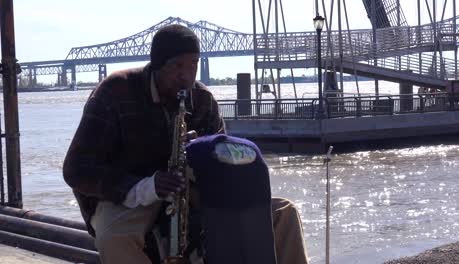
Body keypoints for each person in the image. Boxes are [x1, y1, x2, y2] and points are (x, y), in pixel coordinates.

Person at [63, 24, 308, 264]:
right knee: (114, 238)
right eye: (177, 66)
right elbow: (76, 169)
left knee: (284, 214)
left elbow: (227, 164)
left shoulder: (203, 100)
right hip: (128, 196)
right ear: (158, 65)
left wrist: (204, 150)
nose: (187, 76)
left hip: (190, 191)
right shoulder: (115, 91)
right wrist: (148, 186)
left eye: (193, 65)